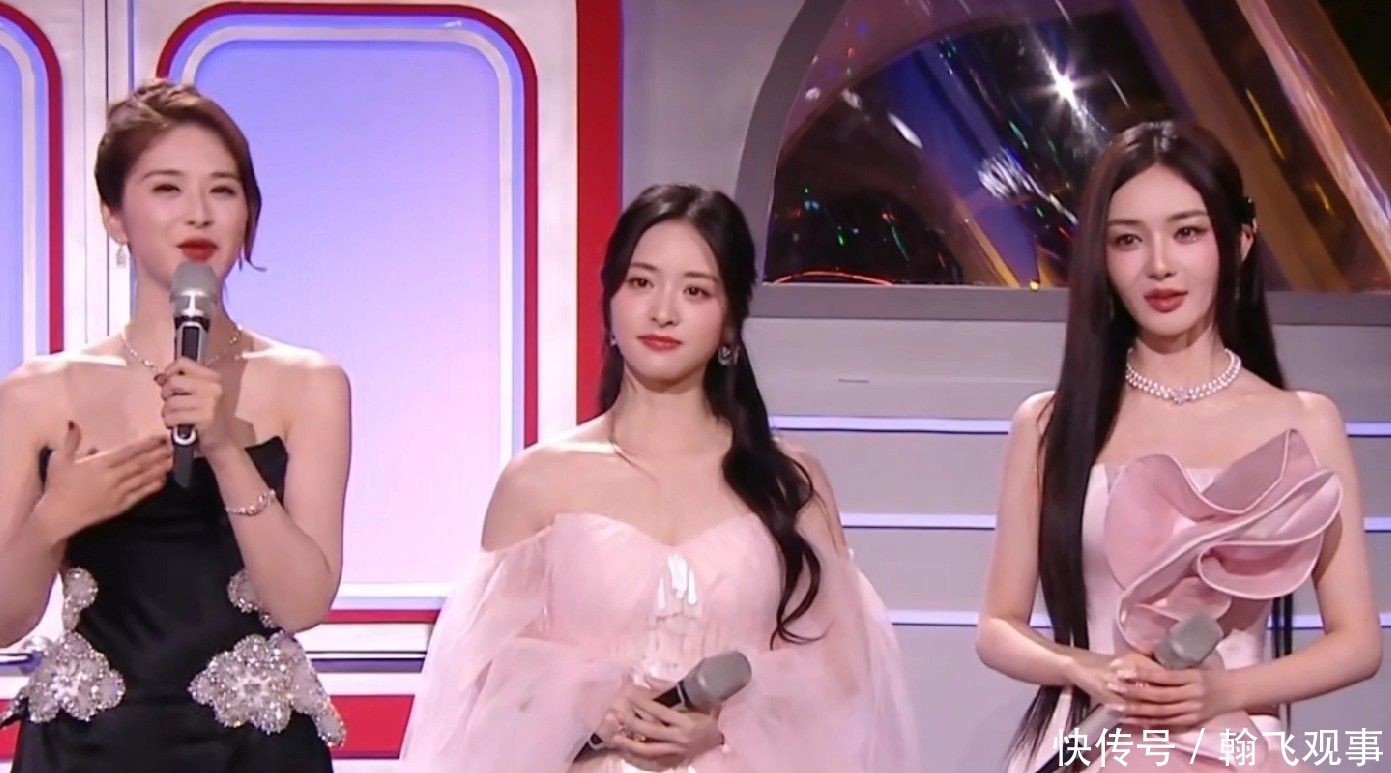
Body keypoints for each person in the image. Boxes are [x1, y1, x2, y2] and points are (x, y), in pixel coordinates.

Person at [398, 183, 919, 772]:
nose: (663, 310)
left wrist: (727, 726)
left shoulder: (788, 481)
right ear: (611, 300)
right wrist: (584, 701)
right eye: (641, 282)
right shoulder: (538, 481)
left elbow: (844, 684)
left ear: (730, 322)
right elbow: (474, 689)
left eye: (695, 291)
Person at [977, 120, 1381, 771]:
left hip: (1235, 747)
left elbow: (1357, 641)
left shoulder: (1303, 422)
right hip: (1093, 740)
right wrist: (1085, 667)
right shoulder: (1051, 423)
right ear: (1101, 258)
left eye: (1187, 232)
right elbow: (997, 626)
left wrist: (1225, 691)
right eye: (1127, 240)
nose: (1158, 264)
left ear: (1240, 240)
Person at [0, 79, 352, 771]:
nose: (199, 212)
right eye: (166, 188)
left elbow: (303, 602)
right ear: (114, 215)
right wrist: (51, 521)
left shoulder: (309, 384)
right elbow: (4, 621)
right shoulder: (37, 394)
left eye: (223, 190)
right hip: (88, 749)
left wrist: (225, 449)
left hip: (255, 750)